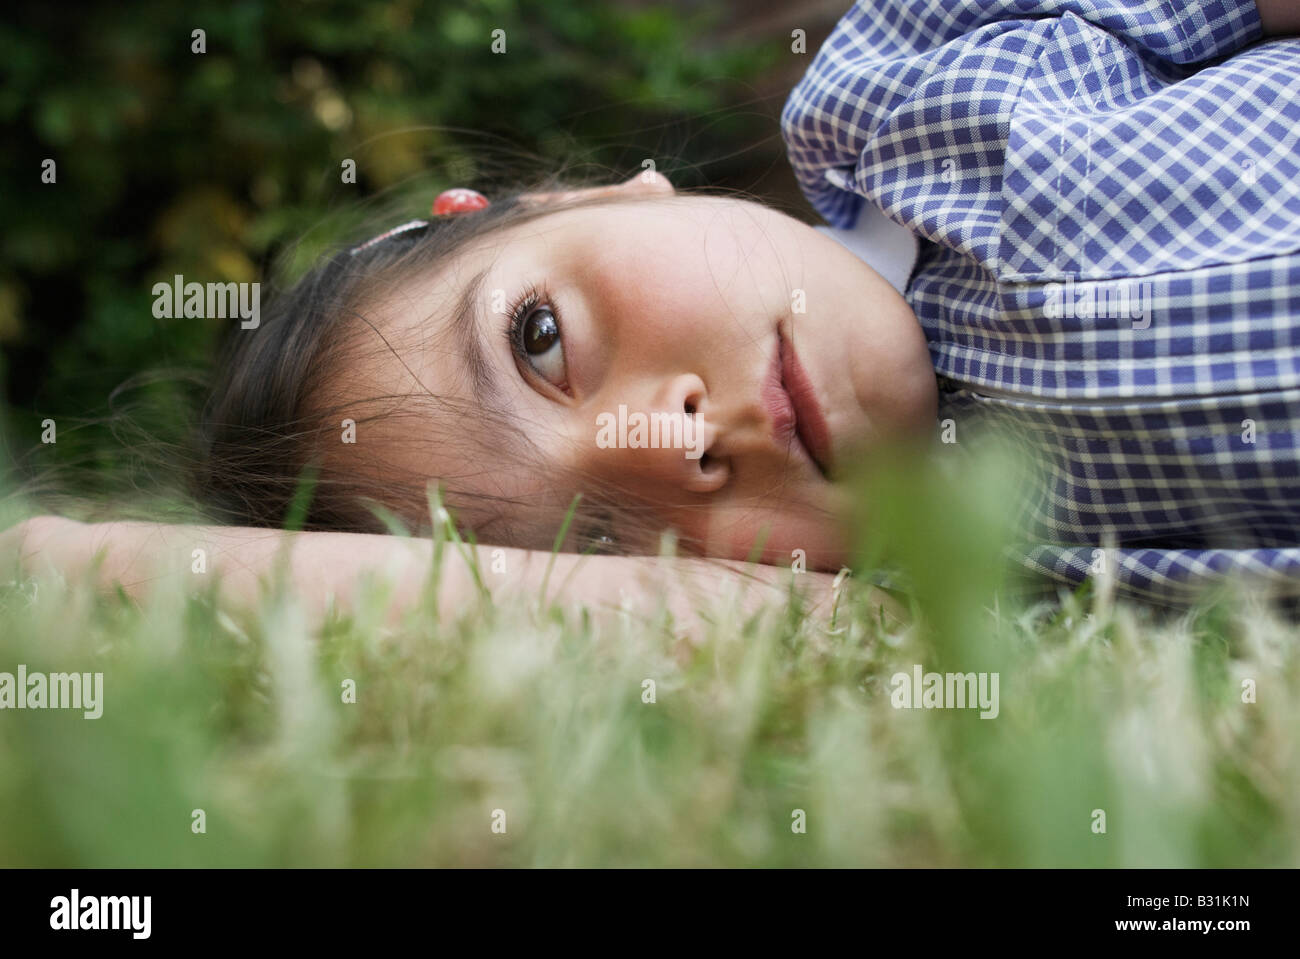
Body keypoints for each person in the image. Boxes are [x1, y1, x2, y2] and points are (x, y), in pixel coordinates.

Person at [6, 0, 1300, 627]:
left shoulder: (910, 86)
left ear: (587, 194)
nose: (664, 447)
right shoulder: (976, 586)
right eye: (618, 546)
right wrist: (65, 561)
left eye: (541, 343)